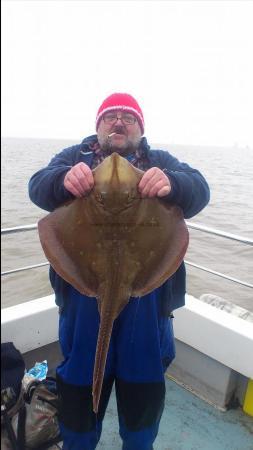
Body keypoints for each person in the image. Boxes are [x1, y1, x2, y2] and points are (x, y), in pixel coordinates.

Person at [28, 93, 210, 450]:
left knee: (142, 388)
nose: (119, 121)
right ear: (98, 127)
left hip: (148, 297)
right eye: (110, 116)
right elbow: (38, 185)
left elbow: (200, 189)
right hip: (83, 297)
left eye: (129, 117)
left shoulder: (160, 160)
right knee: (81, 387)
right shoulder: (74, 158)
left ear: (141, 129)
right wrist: (63, 179)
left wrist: (172, 183)